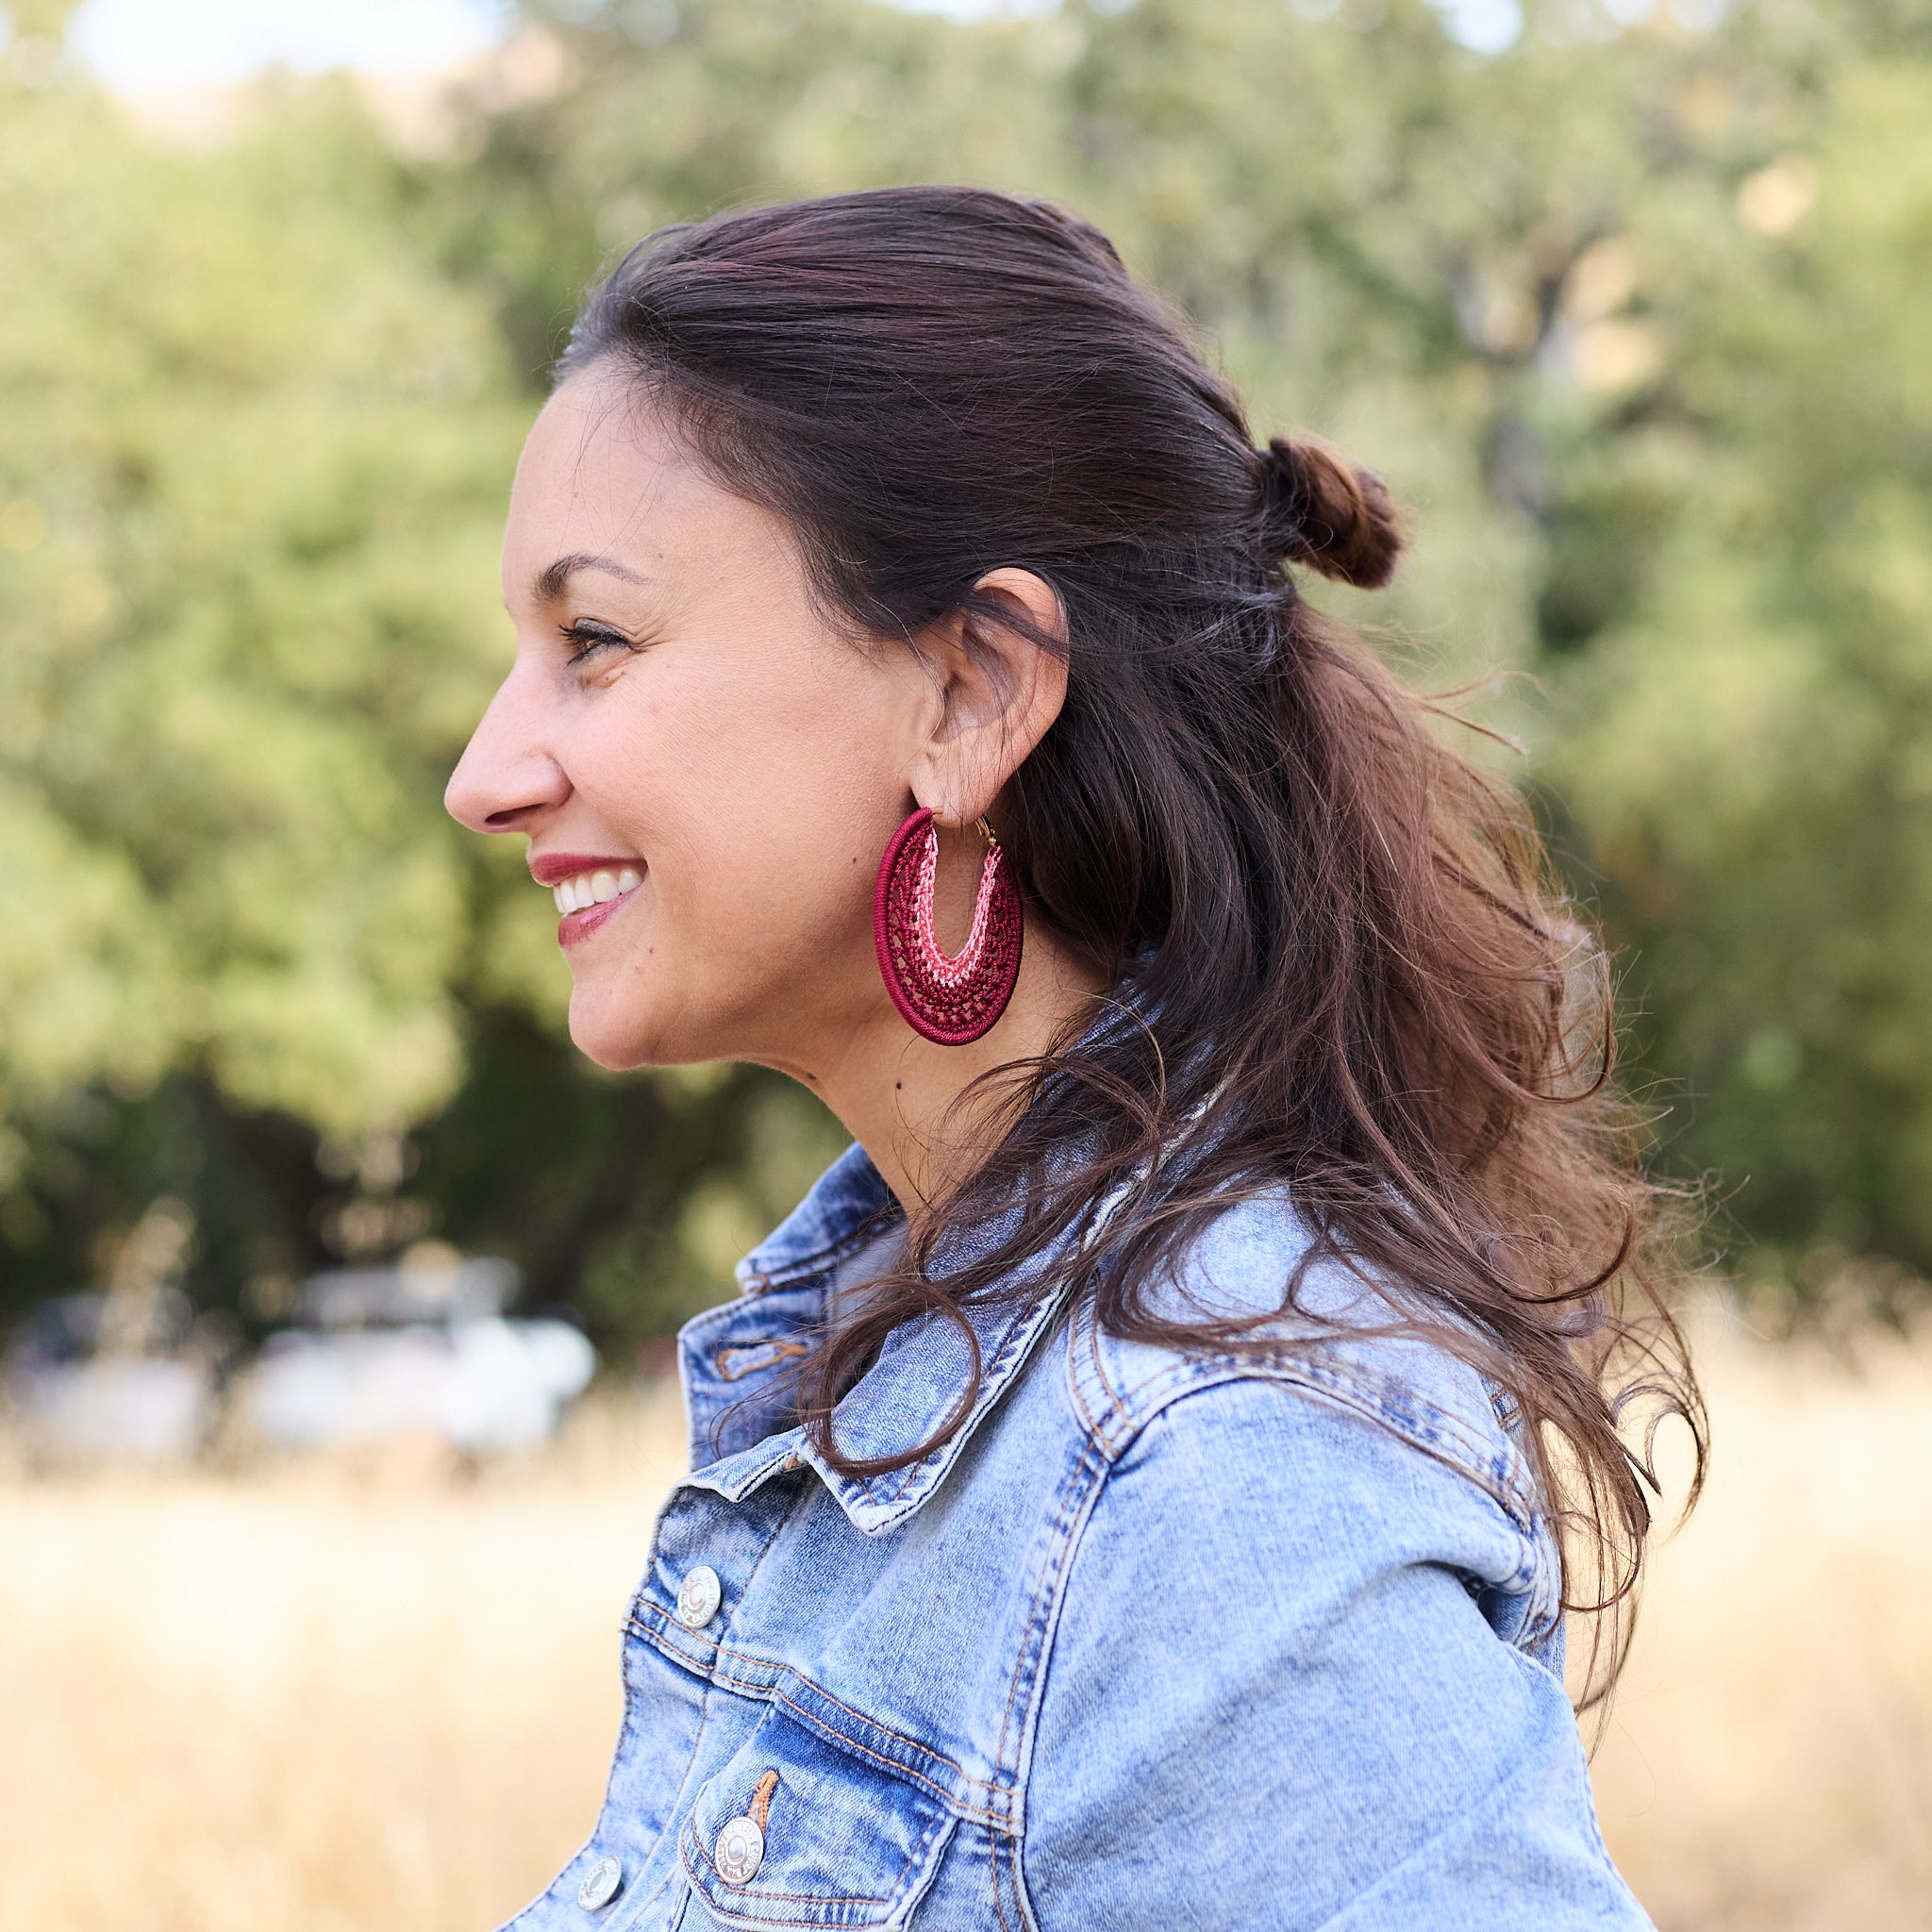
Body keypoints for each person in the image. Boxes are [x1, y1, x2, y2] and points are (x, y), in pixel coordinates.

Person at [444, 185, 1701, 1931]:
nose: (486, 771)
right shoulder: (911, 1347)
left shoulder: (1217, 1477)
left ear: (969, 691)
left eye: (594, 642)